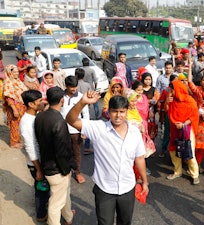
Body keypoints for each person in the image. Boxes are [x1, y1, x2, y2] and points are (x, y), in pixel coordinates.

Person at [66, 93, 149, 225]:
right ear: (108, 112)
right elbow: (71, 120)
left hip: (127, 188)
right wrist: (82, 102)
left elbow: (139, 158)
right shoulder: (99, 128)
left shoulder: (134, 133)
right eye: (114, 111)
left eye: (122, 111)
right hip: (104, 190)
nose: (118, 115)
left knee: (125, 221)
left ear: (127, 112)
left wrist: (145, 181)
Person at [35, 87, 76, 225]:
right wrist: (65, 170)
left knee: (64, 194)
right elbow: (62, 151)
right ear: (62, 100)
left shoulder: (40, 116)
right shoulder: (59, 122)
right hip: (56, 169)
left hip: (46, 163)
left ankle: (68, 217)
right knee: (55, 204)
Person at [20, 90, 49, 222]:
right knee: (41, 189)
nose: (42, 102)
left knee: (42, 188)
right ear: (31, 104)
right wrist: (38, 169)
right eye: (39, 101)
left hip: (40, 161)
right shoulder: (27, 123)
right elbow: (31, 148)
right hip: (36, 163)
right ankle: (41, 215)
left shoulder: (35, 116)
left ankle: (43, 210)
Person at [166, 79, 201, 184]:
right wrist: (167, 102)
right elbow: (168, 111)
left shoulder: (190, 101)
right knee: (173, 150)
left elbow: (194, 116)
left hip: (187, 129)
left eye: (172, 90)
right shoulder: (172, 100)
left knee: (189, 151)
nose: (170, 92)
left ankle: (194, 174)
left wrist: (184, 124)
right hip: (175, 128)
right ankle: (177, 171)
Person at [60, 76, 90, 184]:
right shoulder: (61, 97)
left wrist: (84, 130)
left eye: (75, 87)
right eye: (71, 87)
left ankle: (77, 172)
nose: (74, 89)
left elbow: (85, 113)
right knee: (63, 152)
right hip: (62, 130)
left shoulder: (81, 97)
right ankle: (66, 170)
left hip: (76, 131)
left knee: (76, 153)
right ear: (66, 86)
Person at [3, 64, 27, 149]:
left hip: (22, 106)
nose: (17, 73)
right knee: (15, 125)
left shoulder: (18, 81)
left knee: (21, 124)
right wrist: (14, 110)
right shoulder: (8, 83)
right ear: (10, 73)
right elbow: (9, 98)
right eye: (15, 72)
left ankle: (19, 139)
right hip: (15, 107)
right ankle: (13, 143)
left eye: (17, 72)